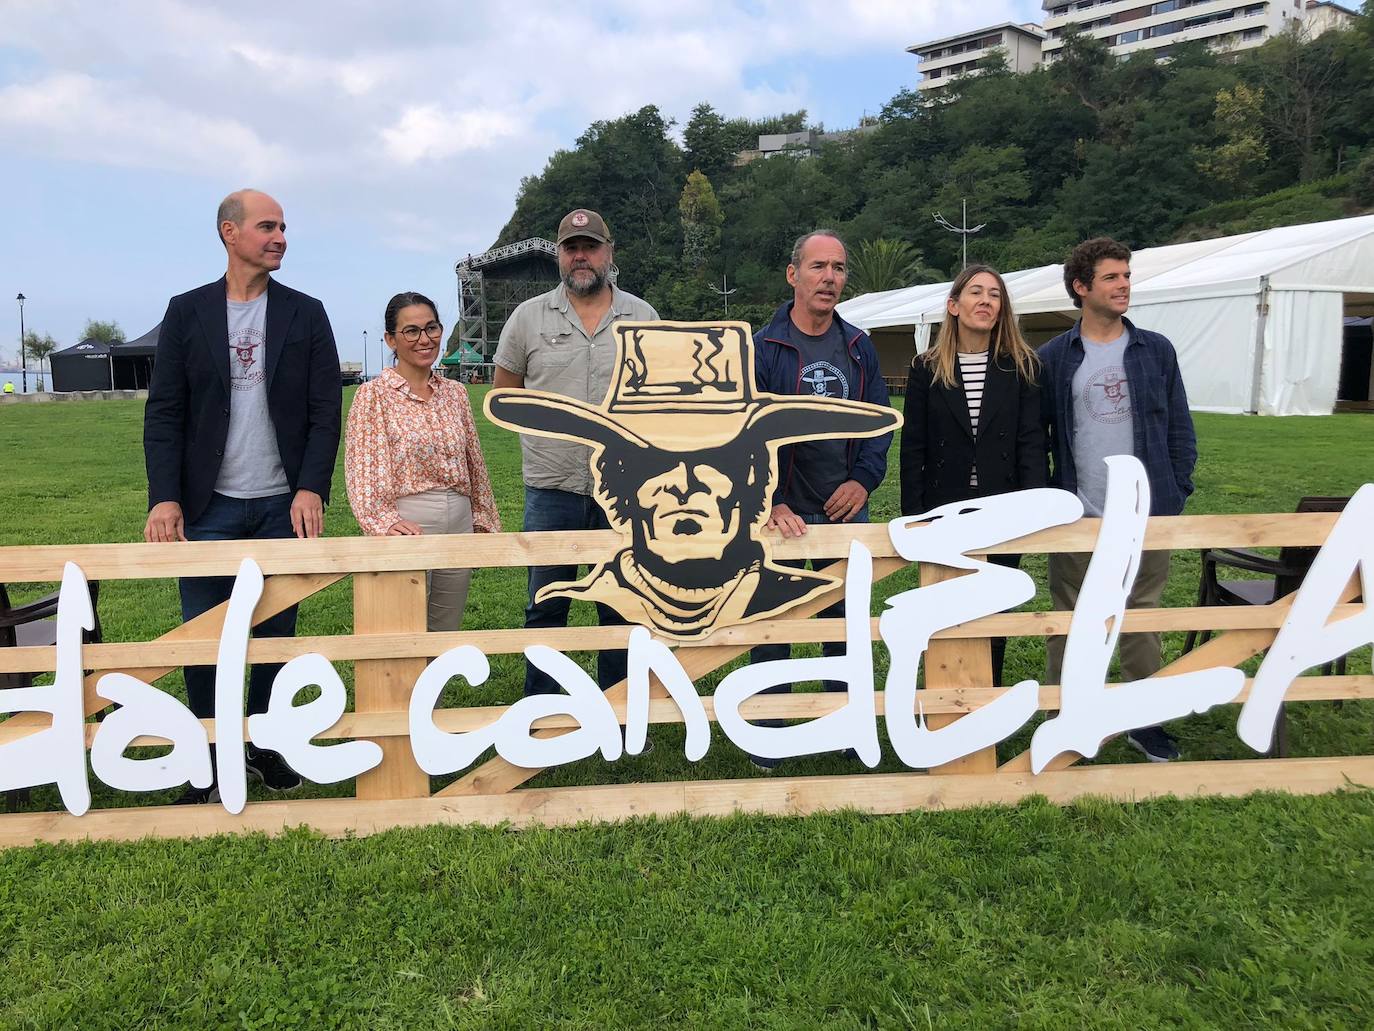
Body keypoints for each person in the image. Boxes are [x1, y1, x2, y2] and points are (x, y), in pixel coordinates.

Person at [487, 321, 898, 640]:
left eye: (714, 460)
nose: (684, 485)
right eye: (654, 462)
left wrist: (863, 476)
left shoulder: (790, 591)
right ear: (619, 483)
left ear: (752, 478)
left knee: (838, 619)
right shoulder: (585, 593)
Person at [143, 188, 342, 803]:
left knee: (274, 633)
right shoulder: (187, 312)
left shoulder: (306, 314)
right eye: (267, 226)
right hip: (208, 506)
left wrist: (310, 487)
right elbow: (165, 411)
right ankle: (206, 751)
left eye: (283, 227)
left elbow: (323, 412)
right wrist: (164, 497)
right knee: (203, 633)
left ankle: (263, 743)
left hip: (283, 505)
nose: (280, 236)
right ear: (229, 233)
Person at [1040, 236, 1197, 763]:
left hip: (1147, 512)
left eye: (1126, 276)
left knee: (1141, 617)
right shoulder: (1054, 358)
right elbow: (1038, 436)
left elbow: (1179, 426)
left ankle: (1141, 721)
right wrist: (1056, 501)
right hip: (1079, 510)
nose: (1124, 285)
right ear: (1081, 288)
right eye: (1111, 277)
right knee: (1072, 617)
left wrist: (1175, 492)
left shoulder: (1156, 349)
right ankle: (1067, 715)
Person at [492, 208, 658, 696]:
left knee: (623, 603)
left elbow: (659, 397)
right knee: (545, 604)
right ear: (559, 257)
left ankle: (621, 712)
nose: (580, 256)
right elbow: (506, 394)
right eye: (571, 247)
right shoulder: (528, 318)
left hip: (626, 490)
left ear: (609, 252)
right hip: (551, 488)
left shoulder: (642, 317)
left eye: (590, 246)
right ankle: (541, 712)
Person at [747, 229, 895, 767]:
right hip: (781, 513)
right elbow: (749, 433)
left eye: (837, 267)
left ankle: (844, 726)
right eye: (817, 267)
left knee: (844, 624)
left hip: (845, 507)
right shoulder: (764, 348)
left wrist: (863, 481)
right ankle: (768, 731)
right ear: (793, 275)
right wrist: (772, 500)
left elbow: (880, 423)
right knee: (774, 622)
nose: (829, 277)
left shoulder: (858, 346)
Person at [900, 264, 1045, 688]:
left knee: (994, 612)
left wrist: (1034, 507)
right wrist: (916, 516)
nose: (986, 300)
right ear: (954, 305)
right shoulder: (926, 368)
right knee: (945, 610)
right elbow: (914, 447)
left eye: (995, 295)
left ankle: (987, 704)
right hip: (945, 510)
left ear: (1002, 309)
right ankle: (944, 704)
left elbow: (1031, 442)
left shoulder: (1022, 367)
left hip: (1005, 508)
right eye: (976, 292)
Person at [345, 292, 500, 631]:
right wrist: (381, 520)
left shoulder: (455, 393)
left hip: (458, 521)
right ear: (391, 339)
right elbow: (362, 466)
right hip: (408, 521)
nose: (424, 339)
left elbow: (474, 459)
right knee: (404, 627)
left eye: (431, 328)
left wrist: (482, 516)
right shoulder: (373, 396)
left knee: (445, 629)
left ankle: (435, 687)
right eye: (411, 331)